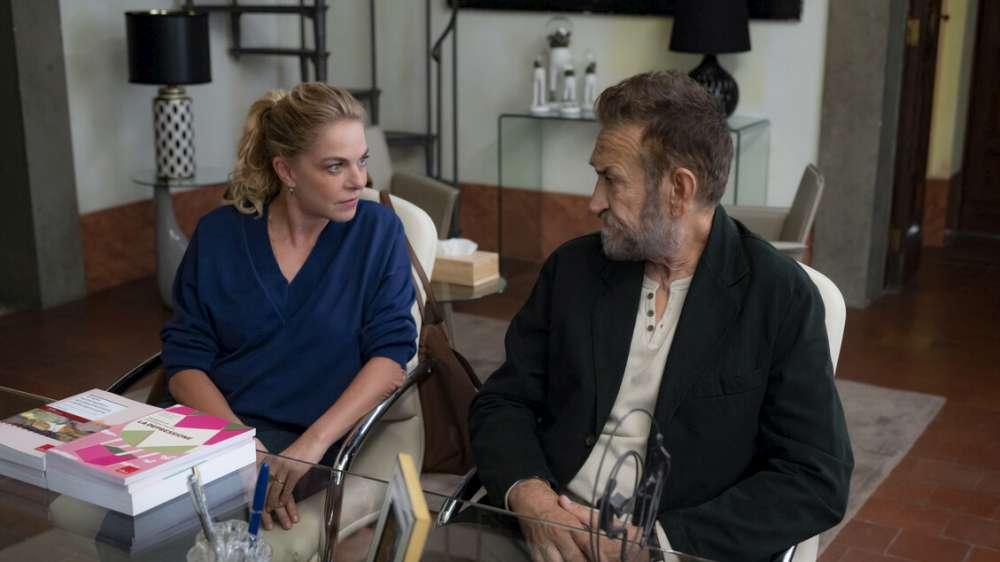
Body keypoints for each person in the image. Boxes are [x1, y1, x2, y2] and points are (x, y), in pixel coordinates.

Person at [469, 71, 853, 562]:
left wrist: (657, 545)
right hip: (544, 532)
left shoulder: (779, 297)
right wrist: (531, 498)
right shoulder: (573, 270)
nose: (594, 201)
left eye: (611, 179)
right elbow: (503, 401)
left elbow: (815, 476)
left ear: (678, 189)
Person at [161, 83, 416, 531]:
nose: (359, 180)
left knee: (210, 537)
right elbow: (184, 360)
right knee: (138, 523)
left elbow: (391, 357)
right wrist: (241, 445)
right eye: (335, 166)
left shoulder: (377, 232)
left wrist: (309, 448)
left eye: (362, 160)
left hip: (315, 438)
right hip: (216, 428)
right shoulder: (219, 235)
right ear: (286, 170)